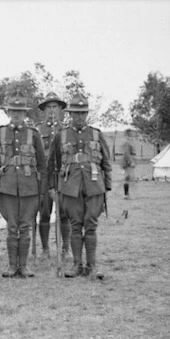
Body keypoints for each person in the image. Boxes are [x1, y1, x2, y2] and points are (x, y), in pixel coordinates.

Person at [48, 93, 112, 279]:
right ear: (70, 114)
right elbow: (52, 164)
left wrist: (106, 186)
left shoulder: (96, 134)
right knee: (76, 225)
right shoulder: (61, 136)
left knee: (91, 225)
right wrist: (53, 188)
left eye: (82, 113)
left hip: (94, 187)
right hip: (70, 187)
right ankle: (77, 265)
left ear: (87, 114)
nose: (79, 117)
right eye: (76, 113)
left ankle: (91, 266)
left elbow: (106, 163)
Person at [0, 93, 47, 278]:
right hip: (7, 187)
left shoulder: (33, 134)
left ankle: (24, 265)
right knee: (12, 227)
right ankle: (12, 266)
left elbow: (42, 164)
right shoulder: (0, 132)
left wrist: (43, 190)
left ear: (25, 113)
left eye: (20, 111)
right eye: (13, 111)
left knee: (25, 226)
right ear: (8, 111)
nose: (16, 114)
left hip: (30, 187)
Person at [34, 92, 71, 260]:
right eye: (48, 107)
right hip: (43, 177)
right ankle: (44, 249)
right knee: (45, 213)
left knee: (64, 213)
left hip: (62, 175)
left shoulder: (65, 130)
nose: (52, 110)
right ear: (44, 110)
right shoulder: (37, 130)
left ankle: (66, 249)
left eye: (55, 106)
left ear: (61, 109)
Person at [121, 128, 136, 199]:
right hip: (127, 162)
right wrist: (131, 162)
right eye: (131, 133)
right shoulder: (127, 142)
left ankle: (127, 194)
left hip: (127, 162)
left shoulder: (129, 141)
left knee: (128, 178)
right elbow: (127, 153)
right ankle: (126, 194)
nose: (133, 134)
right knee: (127, 178)